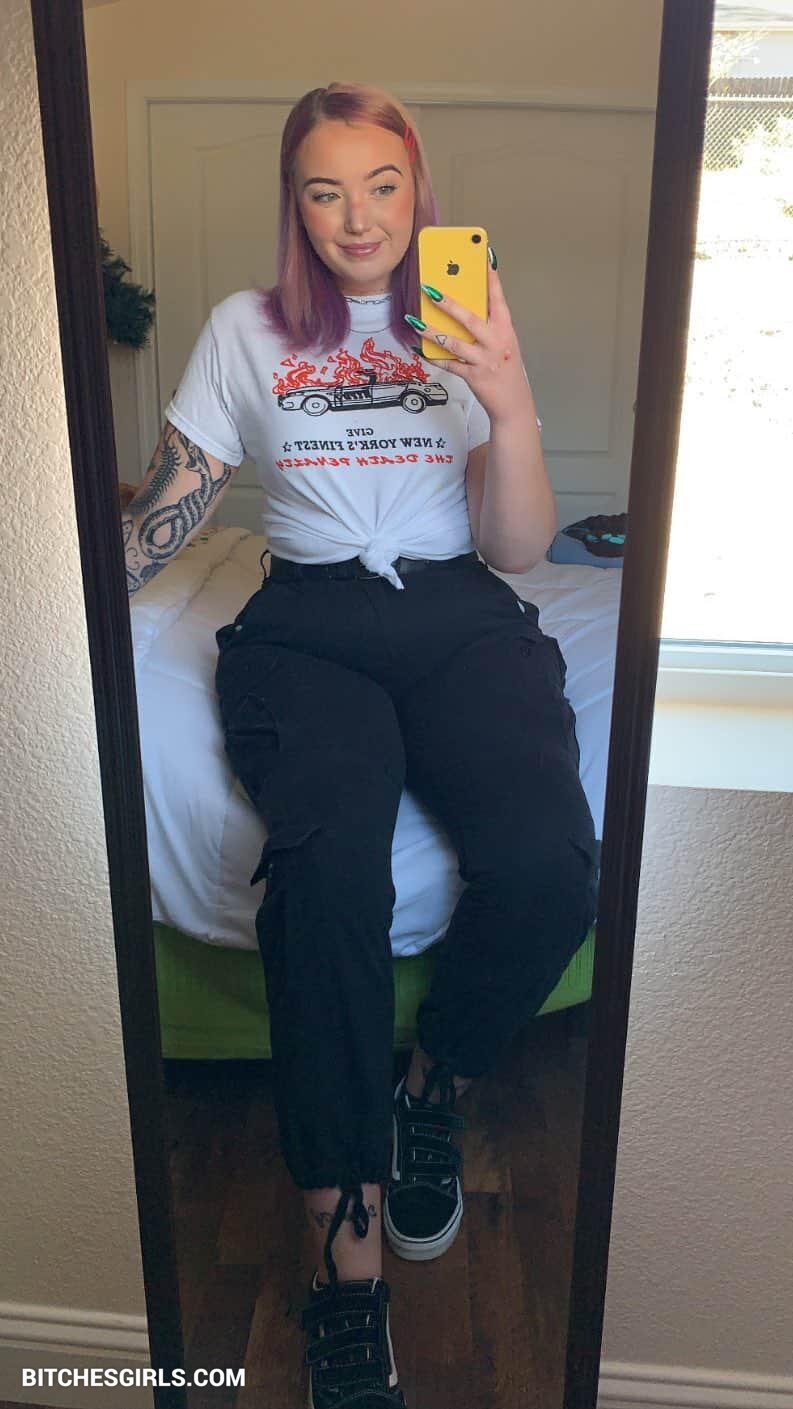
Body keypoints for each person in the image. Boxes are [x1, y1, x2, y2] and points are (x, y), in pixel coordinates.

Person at [124, 81, 598, 1409]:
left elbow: (518, 548)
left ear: (417, 190)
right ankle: (346, 1263)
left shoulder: (467, 318)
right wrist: (79, 598)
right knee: (327, 868)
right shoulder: (247, 328)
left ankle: (431, 1082)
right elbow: (178, 500)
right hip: (309, 621)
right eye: (325, 190)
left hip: (456, 606)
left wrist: (509, 403)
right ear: (296, 202)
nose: (358, 218)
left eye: (382, 185)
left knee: (549, 862)